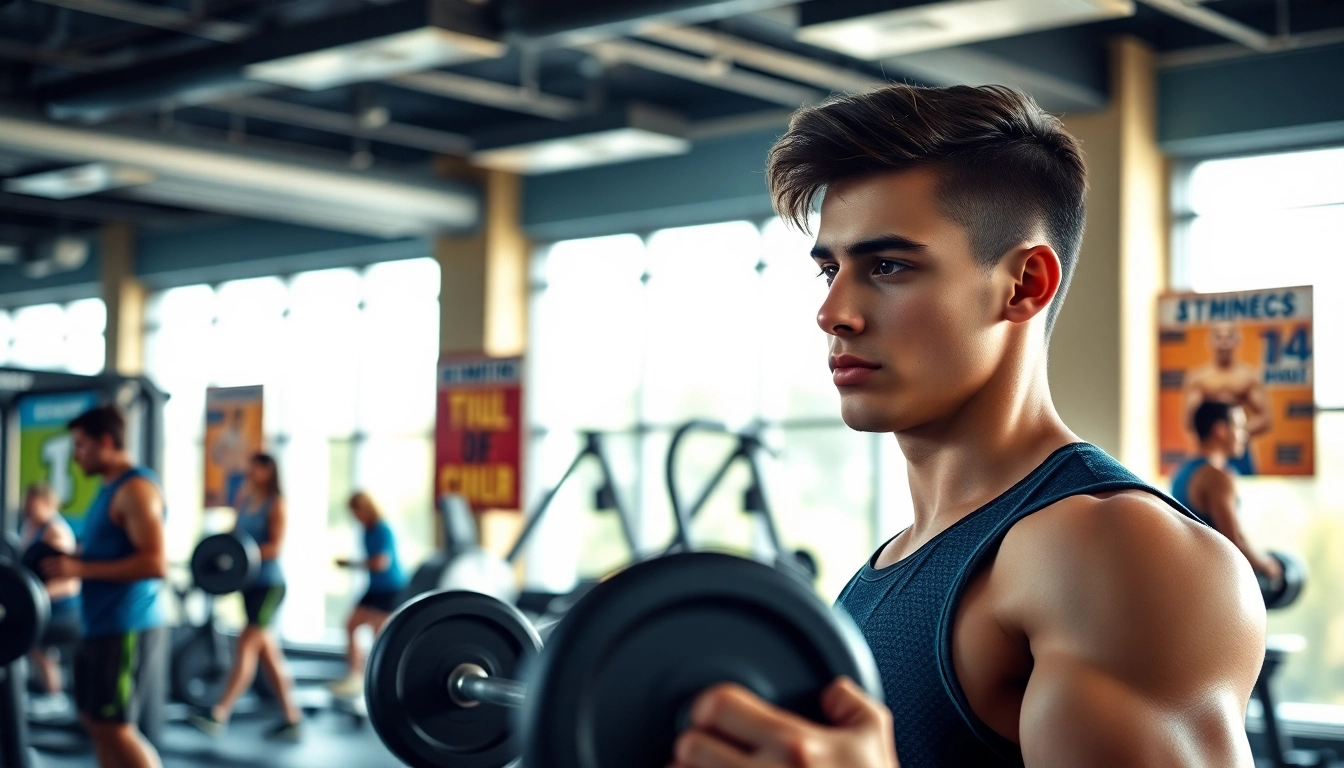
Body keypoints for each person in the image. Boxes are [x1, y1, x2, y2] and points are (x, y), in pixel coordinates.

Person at [669, 84, 1264, 768]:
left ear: (1024, 285)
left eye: (888, 266)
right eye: (830, 269)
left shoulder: (1113, 550)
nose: (833, 312)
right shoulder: (891, 564)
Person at [42, 406, 166, 768]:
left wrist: (78, 567)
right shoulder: (109, 490)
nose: (76, 456)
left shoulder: (137, 490)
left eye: (81, 446)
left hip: (125, 625)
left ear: (106, 443)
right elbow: (106, 551)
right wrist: (71, 559)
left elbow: (155, 563)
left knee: (117, 728)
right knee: (96, 724)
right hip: (99, 623)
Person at [187, 452, 302, 741]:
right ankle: (292, 718)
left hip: (269, 586)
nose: (249, 472)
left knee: (247, 645)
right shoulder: (246, 498)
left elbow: (275, 546)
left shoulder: (276, 504)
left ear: (269, 471)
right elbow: (234, 536)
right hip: (248, 585)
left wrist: (244, 553)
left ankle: (219, 713)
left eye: (255, 468)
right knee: (268, 655)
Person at [1172, 400, 1283, 584]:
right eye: (1240, 427)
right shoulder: (1218, 478)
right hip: (1213, 584)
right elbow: (1234, 544)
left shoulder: (1182, 473)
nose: (1245, 435)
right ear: (1220, 430)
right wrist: (1267, 565)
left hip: (1189, 577)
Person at [328, 491, 407, 697]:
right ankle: (354, 676)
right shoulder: (366, 531)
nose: (356, 518)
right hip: (374, 588)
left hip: (390, 588)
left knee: (378, 634)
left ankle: (380, 679)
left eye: (357, 513)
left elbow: (381, 563)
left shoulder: (383, 530)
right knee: (351, 624)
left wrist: (351, 564)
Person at [19, 482, 82, 715]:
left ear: (45, 502)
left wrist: (38, 594)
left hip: (64, 610)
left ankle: (55, 697)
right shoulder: (31, 526)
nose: (27, 507)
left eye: (32, 502)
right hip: (41, 607)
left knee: (30, 640)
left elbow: (72, 583)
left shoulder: (56, 532)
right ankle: (43, 690)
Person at [1184, 321, 1270, 475]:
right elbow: (1191, 419)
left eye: (1229, 337)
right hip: (1209, 452)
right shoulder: (1199, 378)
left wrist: (1238, 433)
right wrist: (1214, 437)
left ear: (1237, 341)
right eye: (1219, 337)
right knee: (1206, 492)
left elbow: (1264, 417)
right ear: (1210, 341)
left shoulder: (1247, 377)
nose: (1224, 342)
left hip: (1239, 451)